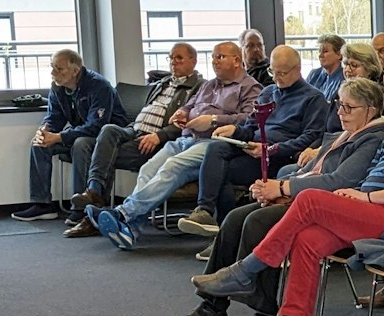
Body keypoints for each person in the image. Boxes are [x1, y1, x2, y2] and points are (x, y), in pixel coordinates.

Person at [190, 63, 384, 316]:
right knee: (307, 239)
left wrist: (364, 196)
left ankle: (246, 271)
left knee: (311, 199)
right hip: (372, 209)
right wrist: (358, 198)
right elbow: (376, 177)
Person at [172, 78, 384, 316]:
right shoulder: (345, 133)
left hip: (328, 209)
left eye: (348, 108)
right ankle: (212, 306)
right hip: (301, 198)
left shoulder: (374, 138)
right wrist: (272, 188)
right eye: (339, 105)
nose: (340, 113)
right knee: (233, 219)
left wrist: (284, 188)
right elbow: (310, 170)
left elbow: (339, 181)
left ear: (370, 110)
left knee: (257, 222)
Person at [64, 41, 259, 240]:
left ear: (236, 60)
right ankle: (132, 229)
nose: (215, 62)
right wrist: (181, 114)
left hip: (211, 145)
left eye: (220, 57)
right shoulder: (210, 85)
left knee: (171, 167)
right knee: (147, 169)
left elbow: (250, 119)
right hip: (185, 140)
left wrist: (213, 120)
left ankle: (123, 214)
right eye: (213, 57)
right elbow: (190, 105)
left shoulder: (249, 87)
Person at [150, 45, 333, 244]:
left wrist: (269, 149)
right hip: (252, 145)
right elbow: (250, 126)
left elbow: (310, 138)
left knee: (224, 173)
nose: (276, 78)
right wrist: (235, 131)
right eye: (273, 71)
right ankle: (204, 211)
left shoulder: (313, 98)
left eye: (282, 73)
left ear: (298, 70)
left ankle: (223, 240)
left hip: (277, 155)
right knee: (215, 147)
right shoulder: (268, 93)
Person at [65, 41, 204, 216]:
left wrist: (160, 136)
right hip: (133, 129)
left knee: (102, 155)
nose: (173, 62)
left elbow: (188, 123)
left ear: (193, 61)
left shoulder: (199, 87)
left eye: (179, 58)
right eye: (170, 58)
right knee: (108, 129)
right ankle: (94, 193)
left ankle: (92, 207)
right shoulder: (164, 82)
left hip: (153, 138)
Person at [14, 48, 130, 222]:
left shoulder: (99, 86)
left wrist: (60, 137)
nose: (53, 73)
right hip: (82, 132)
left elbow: (95, 126)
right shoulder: (58, 87)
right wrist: (45, 131)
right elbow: (54, 118)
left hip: (107, 136)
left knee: (81, 144)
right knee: (39, 144)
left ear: (75, 71)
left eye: (59, 69)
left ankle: (81, 207)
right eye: (52, 67)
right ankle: (42, 204)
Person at [307, 34, 347, 102]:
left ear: (339, 54)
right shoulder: (313, 74)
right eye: (319, 51)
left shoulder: (344, 77)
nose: (320, 55)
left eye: (325, 51)